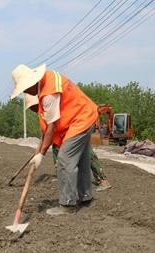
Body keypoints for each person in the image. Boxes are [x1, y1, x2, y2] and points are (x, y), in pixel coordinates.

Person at [11, 63, 98, 216]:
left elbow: (52, 127)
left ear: (31, 83)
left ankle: (67, 204)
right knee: (81, 161)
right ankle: (86, 197)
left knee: (65, 159)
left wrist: (41, 154)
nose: (25, 92)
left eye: (24, 88)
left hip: (80, 119)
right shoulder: (49, 77)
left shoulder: (48, 93)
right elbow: (50, 124)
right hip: (85, 114)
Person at [24, 93, 111, 192]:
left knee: (88, 154)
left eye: (31, 107)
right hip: (60, 135)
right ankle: (62, 179)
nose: (31, 110)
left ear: (36, 104)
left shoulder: (51, 105)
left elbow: (56, 123)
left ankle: (103, 180)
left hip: (75, 130)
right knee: (57, 151)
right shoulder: (43, 111)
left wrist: (42, 152)